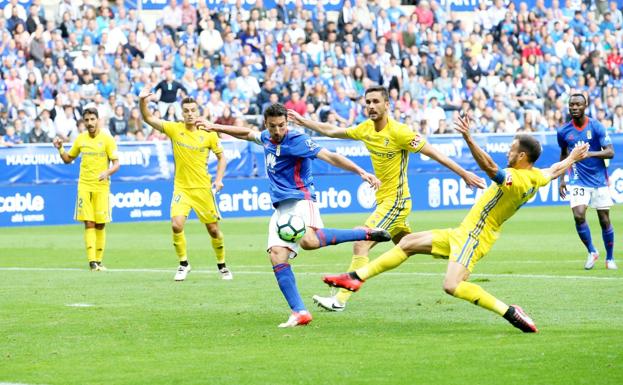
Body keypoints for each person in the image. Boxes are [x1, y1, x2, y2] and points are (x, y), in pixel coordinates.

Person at [321, 115, 590, 333]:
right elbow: (554, 170)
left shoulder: (516, 178)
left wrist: (468, 138)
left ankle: (510, 312)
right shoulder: (536, 176)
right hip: (463, 232)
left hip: (475, 237)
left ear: (521, 157)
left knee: (451, 285)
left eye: (512, 148)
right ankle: (355, 278)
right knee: (408, 243)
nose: (508, 151)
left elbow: (488, 168)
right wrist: (571, 159)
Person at [287, 85, 486, 312]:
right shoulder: (366, 129)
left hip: (396, 202)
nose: (371, 106)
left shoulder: (400, 132)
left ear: (387, 105)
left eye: (375, 102)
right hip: (385, 202)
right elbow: (332, 131)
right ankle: (461, 252)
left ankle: (339, 300)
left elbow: (433, 152)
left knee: (361, 241)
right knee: (410, 245)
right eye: (368, 102)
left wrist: (464, 173)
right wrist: (304, 122)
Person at [195, 103, 392, 328]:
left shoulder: (297, 140)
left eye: (281, 126)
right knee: (277, 255)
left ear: (287, 123)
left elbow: (329, 156)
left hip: (300, 199)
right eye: (272, 127)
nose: (277, 131)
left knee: (309, 241)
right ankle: (299, 312)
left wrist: (361, 172)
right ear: (266, 125)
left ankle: (362, 234)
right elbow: (247, 134)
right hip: (281, 208)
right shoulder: (267, 138)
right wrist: (214, 126)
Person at [139, 87, 232, 281]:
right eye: (186, 111)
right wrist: (142, 102)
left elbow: (222, 158)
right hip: (181, 188)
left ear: (198, 112)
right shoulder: (174, 129)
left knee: (213, 230)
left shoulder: (209, 133)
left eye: (193, 110)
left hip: (203, 189)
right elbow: (148, 118)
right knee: (176, 225)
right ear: (182, 113)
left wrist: (219, 179)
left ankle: (222, 265)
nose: (190, 114)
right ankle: (183, 264)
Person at [53, 107, 120, 271]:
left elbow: (116, 163)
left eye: (92, 119)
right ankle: (92, 262)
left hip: (102, 187)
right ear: (83, 121)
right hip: (84, 186)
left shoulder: (107, 139)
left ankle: (99, 260)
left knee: (101, 224)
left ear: (97, 120)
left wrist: (107, 172)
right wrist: (60, 148)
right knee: (89, 223)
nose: (89, 123)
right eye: (87, 120)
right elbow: (68, 159)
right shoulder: (81, 139)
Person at [557, 93, 617, 270]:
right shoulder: (563, 131)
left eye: (578, 105)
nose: (574, 108)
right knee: (578, 215)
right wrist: (562, 178)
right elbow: (563, 154)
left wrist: (589, 153)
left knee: (604, 220)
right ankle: (592, 251)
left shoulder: (596, 126)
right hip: (577, 179)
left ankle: (610, 258)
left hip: (599, 180)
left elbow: (610, 152)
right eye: (571, 105)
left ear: (585, 106)